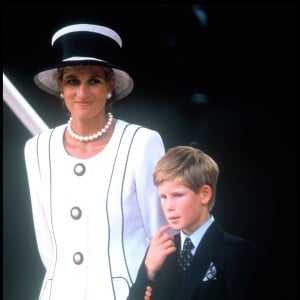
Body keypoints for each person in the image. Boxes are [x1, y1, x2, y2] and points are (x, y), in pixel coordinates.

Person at [24, 23, 168, 300]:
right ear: (60, 87)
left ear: (110, 85)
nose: (81, 93)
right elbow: (47, 244)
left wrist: (147, 287)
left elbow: (163, 235)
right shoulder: (37, 149)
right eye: (72, 81)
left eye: (93, 80)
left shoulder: (142, 143)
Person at [127, 145, 256, 300]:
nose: (168, 207)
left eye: (178, 195)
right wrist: (148, 270)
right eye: (163, 197)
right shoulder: (161, 251)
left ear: (204, 194)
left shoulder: (236, 252)